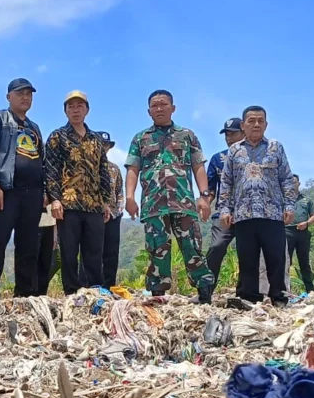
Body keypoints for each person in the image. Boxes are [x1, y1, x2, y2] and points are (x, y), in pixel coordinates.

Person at [125, 90, 214, 303]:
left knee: (192, 246)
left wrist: (203, 196)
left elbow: (198, 166)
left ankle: (204, 293)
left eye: (163, 104)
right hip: (153, 203)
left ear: (173, 108)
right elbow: (133, 169)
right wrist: (129, 197)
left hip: (183, 202)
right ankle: (158, 296)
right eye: (155, 106)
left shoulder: (187, 135)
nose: (159, 108)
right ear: (149, 111)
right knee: (157, 248)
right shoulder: (140, 138)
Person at [216, 106, 296, 305]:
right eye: (251, 121)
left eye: (261, 121)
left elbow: (286, 178)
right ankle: (249, 300)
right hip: (244, 214)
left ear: (266, 124)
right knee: (247, 261)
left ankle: (278, 298)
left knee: (276, 259)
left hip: (273, 213)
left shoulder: (276, 147)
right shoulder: (234, 151)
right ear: (243, 125)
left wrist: (290, 205)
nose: (256, 124)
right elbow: (226, 182)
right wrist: (225, 209)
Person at [0, 78, 44, 297]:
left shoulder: (34, 128)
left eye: (29, 94)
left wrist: (43, 192)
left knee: (28, 243)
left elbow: (41, 160)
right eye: (20, 93)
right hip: (6, 191)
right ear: (9, 97)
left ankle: (24, 291)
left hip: (33, 194)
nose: (25, 98)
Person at [43, 90, 112, 294]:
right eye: (71, 106)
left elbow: (103, 171)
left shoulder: (96, 139)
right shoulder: (57, 137)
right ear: (65, 111)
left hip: (93, 204)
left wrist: (105, 201)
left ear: (87, 110)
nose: (75, 110)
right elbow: (51, 170)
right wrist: (55, 200)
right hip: (67, 204)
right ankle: (71, 292)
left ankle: (97, 290)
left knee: (94, 252)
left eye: (79, 106)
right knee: (69, 252)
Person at [205, 118, 245, 290]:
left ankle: (244, 293)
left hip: (248, 213)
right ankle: (205, 291)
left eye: (233, 133)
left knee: (247, 253)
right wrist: (205, 203)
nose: (229, 138)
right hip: (223, 213)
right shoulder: (217, 159)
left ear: (244, 132)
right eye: (227, 135)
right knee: (216, 246)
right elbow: (210, 188)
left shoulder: (254, 156)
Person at [100, 133, 124, 287]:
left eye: (106, 145)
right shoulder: (88, 167)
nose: (104, 148)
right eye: (101, 144)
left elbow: (119, 191)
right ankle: (89, 285)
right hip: (94, 215)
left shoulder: (114, 169)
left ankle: (109, 285)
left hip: (114, 216)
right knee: (92, 252)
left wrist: (119, 210)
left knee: (111, 252)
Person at [286, 174, 314, 293]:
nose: (292, 184)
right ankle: (286, 290)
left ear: (298, 183)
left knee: (304, 261)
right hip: (287, 232)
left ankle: (310, 290)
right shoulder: (284, 200)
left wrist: (307, 223)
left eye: (294, 182)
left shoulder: (306, 200)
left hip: (303, 233)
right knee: (286, 262)